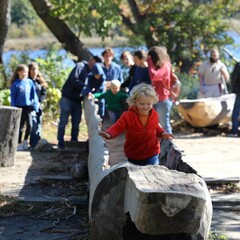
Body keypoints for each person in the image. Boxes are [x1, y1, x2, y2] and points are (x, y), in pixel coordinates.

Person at [99, 83, 173, 166]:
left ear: (153, 102)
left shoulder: (154, 115)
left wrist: (163, 133)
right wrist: (109, 134)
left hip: (152, 152)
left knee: (152, 170)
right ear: (134, 102)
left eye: (149, 104)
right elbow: (118, 126)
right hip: (134, 154)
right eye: (142, 104)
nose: (145, 106)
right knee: (137, 175)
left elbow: (156, 127)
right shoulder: (128, 115)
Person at [57, 56, 102, 149]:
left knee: (76, 122)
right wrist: (86, 88)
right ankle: (60, 142)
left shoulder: (92, 73)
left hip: (78, 100)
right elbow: (74, 80)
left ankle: (73, 142)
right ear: (92, 60)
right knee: (63, 120)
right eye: (96, 63)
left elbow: (96, 85)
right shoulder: (80, 66)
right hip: (67, 98)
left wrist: (91, 92)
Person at [10, 64, 39, 150]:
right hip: (19, 108)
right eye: (23, 72)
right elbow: (13, 97)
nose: (25, 73)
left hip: (28, 107)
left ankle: (26, 140)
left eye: (26, 72)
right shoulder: (15, 84)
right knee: (20, 126)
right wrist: (13, 108)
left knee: (30, 125)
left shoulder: (29, 82)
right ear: (18, 72)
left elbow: (34, 95)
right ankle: (19, 142)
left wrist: (35, 105)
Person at [147, 46, 173, 134]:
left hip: (163, 100)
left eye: (151, 58)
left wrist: (149, 62)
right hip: (154, 100)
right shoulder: (158, 67)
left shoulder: (166, 66)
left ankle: (170, 145)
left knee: (164, 125)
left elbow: (153, 76)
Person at [28, 62, 48, 148]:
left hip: (39, 105)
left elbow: (44, 93)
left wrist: (40, 101)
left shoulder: (40, 82)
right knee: (33, 124)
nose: (34, 71)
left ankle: (37, 141)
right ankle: (33, 143)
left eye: (36, 69)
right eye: (33, 69)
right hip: (30, 106)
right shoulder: (28, 81)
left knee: (39, 123)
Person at [227, 62, 240, 137]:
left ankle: (234, 131)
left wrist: (234, 88)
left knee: (236, 111)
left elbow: (234, 78)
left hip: (239, 92)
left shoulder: (238, 65)